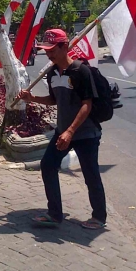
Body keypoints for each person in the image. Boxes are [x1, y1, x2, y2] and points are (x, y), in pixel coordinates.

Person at [17, 28, 107, 230]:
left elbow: (87, 105)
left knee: (91, 174)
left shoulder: (80, 71)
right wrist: (31, 98)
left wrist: (70, 131)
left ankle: (99, 217)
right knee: (48, 165)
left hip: (85, 133)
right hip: (63, 131)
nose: (49, 54)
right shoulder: (52, 73)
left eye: (52, 49)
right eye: (46, 50)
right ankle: (55, 214)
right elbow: (54, 99)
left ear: (64, 46)